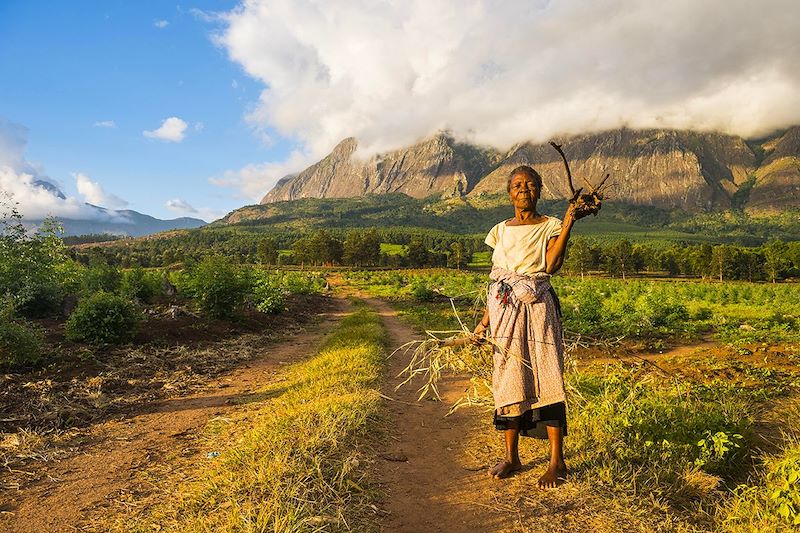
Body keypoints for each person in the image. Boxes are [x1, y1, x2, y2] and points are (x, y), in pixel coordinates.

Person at [472, 164, 587, 488]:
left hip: (538, 309)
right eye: (518, 185)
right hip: (505, 311)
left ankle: (557, 462)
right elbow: (498, 282)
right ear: (509, 193)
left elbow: (551, 265)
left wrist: (568, 222)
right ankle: (511, 456)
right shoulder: (500, 230)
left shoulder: (550, 225)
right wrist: (484, 323)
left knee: (546, 375)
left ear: (539, 190)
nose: (524, 189)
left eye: (531, 184)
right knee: (509, 378)